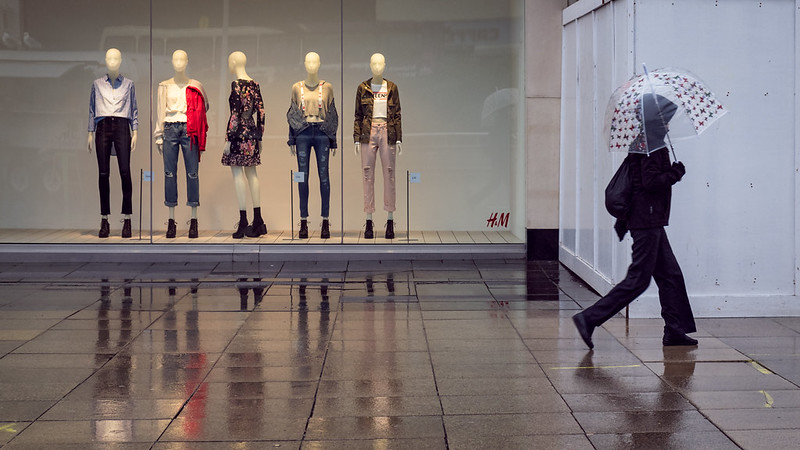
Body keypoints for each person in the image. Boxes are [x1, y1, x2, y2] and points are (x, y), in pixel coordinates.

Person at [573, 94, 697, 348]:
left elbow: (641, 182)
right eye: (667, 118)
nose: (669, 123)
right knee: (638, 280)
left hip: (649, 220)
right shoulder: (652, 144)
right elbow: (651, 183)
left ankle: (674, 330)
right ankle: (589, 318)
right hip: (647, 221)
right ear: (657, 119)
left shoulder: (646, 141)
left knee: (670, 275)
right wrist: (675, 173)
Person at [154, 50, 209, 239]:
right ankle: (171, 221)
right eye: (175, 59)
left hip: (189, 128)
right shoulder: (164, 85)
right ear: (171, 61)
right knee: (169, 174)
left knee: (192, 173)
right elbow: (160, 110)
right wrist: (159, 135)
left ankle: (193, 221)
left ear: (187, 61)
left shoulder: (195, 85)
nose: (178, 62)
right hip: (170, 128)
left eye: (182, 59)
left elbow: (204, 106)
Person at [287, 51, 338, 239]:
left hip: (322, 132)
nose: (311, 64)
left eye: (314, 61)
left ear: (319, 63)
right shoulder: (296, 87)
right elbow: (292, 115)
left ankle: (325, 221)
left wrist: (333, 139)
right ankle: (303, 221)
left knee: (324, 176)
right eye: (308, 61)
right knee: (302, 176)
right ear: (304, 63)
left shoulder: (328, 87)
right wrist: (291, 139)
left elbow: (332, 114)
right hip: (302, 133)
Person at [87, 48, 138, 238]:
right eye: (109, 57)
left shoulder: (129, 84)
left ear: (121, 60)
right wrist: (90, 133)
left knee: (125, 171)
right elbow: (92, 109)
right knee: (103, 173)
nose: (112, 61)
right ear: (105, 60)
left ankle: (127, 219)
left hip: (123, 126)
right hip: (103, 125)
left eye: (116, 57)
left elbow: (134, 109)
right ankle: (104, 219)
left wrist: (136, 131)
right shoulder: (97, 84)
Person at [353, 53, 402, 239]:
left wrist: (398, 138)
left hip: (387, 131)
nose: (377, 66)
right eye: (374, 62)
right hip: (368, 132)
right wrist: (357, 138)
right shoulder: (362, 87)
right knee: (367, 174)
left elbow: (397, 114)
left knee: (389, 174)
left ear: (385, 64)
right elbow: (357, 114)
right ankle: (368, 220)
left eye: (380, 62)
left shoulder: (391, 87)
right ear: (370, 64)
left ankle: (390, 220)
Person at [223, 51, 267, 239]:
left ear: (233, 62)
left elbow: (235, 114)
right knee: (252, 173)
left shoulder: (236, 85)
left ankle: (243, 222)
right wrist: (259, 136)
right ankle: (258, 221)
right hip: (251, 134)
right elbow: (262, 112)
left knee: (237, 173)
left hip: (238, 135)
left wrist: (228, 138)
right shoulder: (254, 84)